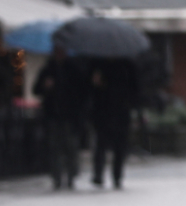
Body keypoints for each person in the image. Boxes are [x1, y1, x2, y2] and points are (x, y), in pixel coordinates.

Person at [36, 46, 89, 190]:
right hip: (53, 114)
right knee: (55, 147)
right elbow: (36, 89)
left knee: (70, 146)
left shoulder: (73, 70)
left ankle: (71, 175)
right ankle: (57, 177)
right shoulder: (48, 70)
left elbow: (82, 91)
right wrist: (45, 86)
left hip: (70, 115)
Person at [90, 58, 139, 190]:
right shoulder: (98, 66)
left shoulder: (128, 67)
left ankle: (117, 176)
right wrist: (96, 84)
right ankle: (98, 175)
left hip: (121, 113)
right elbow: (90, 90)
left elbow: (135, 90)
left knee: (119, 148)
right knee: (100, 146)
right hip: (103, 114)